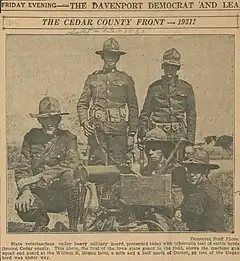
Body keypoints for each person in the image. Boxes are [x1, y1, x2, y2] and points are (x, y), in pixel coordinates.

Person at [77, 38, 139, 203]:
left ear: (118, 58)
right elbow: (82, 104)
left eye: (114, 56)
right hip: (97, 132)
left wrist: (132, 133)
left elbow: (133, 107)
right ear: (102, 57)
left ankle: (116, 206)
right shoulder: (92, 78)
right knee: (98, 167)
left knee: (118, 167)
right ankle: (102, 205)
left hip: (119, 131)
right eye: (107, 56)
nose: (110, 59)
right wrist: (84, 122)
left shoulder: (126, 79)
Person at [14, 97, 87, 232]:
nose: (50, 123)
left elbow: (71, 163)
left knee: (74, 176)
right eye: (46, 119)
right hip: (41, 194)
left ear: (59, 119)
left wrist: (41, 176)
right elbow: (22, 167)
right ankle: (41, 221)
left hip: (62, 195)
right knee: (23, 206)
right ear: (39, 120)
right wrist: (25, 191)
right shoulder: (30, 138)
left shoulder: (68, 138)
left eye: (54, 118)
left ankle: (73, 227)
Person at [138, 48, 196, 160]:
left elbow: (191, 116)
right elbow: (145, 114)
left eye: (173, 67)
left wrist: (190, 142)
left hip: (178, 137)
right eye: (168, 66)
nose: (170, 70)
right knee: (157, 168)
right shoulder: (154, 88)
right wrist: (141, 136)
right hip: (157, 137)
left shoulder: (186, 88)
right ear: (163, 67)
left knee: (178, 169)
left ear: (177, 68)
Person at [179, 148, 226, 231]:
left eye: (197, 170)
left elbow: (215, 229)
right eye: (190, 170)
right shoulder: (190, 189)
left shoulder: (212, 194)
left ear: (206, 172)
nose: (192, 174)